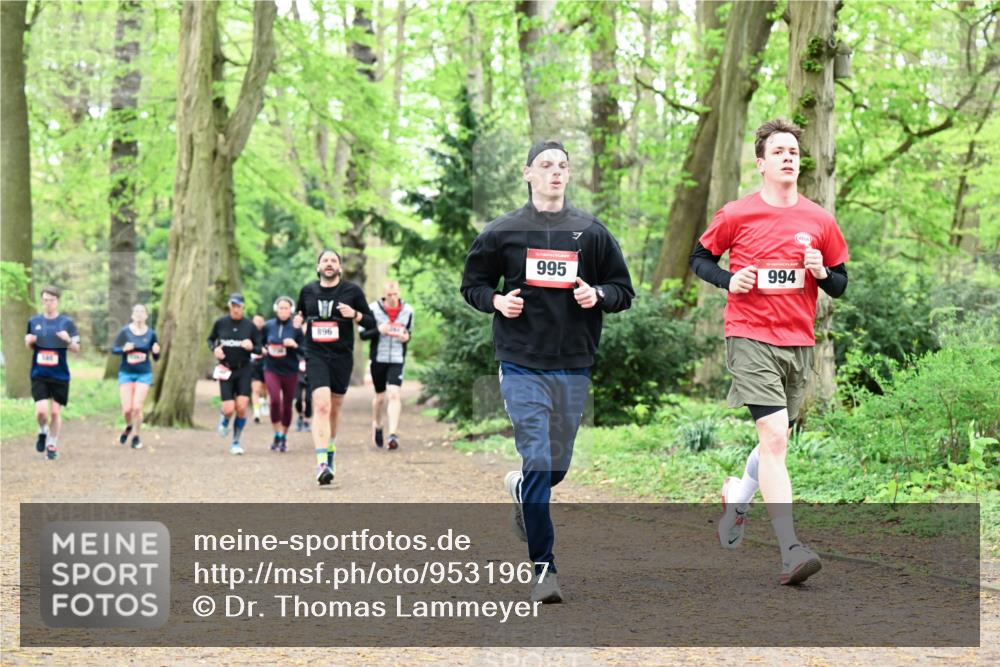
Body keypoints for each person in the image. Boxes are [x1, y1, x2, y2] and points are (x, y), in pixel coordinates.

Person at [460, 140, 634, 603]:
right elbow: (473, 284)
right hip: (520, 362)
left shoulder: (591, 232)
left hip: (573, 363)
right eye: (546, 165)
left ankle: (521, 488)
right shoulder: (504, 232)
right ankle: (544, 569)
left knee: (552, 468)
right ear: (528, 174)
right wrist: (497, 300)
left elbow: (623, 290)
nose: (555, 172)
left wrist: (597, 295)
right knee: (538, 457)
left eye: (562, 166)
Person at [689, 118, 849, 585]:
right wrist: (728, 279)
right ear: (761, 163)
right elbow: (699, 259)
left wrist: (821, 273)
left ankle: (737, 497)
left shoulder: (820, 220)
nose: (788, 157)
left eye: (794, 152)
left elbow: (839, 284)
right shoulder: (738, 213)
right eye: (779, 151)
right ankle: (790, 550)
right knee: (775, 438)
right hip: (750, 334)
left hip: (799, 342)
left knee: (775, 442)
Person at [296, 249, 375, 485]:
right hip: (315, 354)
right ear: (318, 266)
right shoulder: (307, 291)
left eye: (333, 261)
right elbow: (300, 314)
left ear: (339, 268)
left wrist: (356, 314)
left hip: (341, 355)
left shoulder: (352, 291)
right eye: (325, 260)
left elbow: (371, 321)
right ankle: (321, 463)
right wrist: (298, 321)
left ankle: (330, 450)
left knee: (334, 407)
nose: (329, 264)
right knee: (320, 405)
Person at [24, 286, 81, 460]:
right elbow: (29, 345)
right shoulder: (34, 322)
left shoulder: (67, 323)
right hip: (39, 373)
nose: (48, 303)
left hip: (60, 375)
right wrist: (29, 341)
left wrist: (67, 340)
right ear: (42, 301)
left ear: (57, 301)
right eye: (45, 300)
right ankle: (42, 431)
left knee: (55, 413)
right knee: (41, 412)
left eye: (52, 300)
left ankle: (52, 444)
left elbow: (77, 348)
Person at [359, 280, 414, 450]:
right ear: (384, 294)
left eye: (395, 294)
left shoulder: (408, 310)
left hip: (397, 358)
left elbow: (408, 333)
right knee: (380, 397)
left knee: (395, 394)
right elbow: (363, 335)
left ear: (399, 292)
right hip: (378, 359)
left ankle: (393, 434)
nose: (392, 297)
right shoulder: (372, 309)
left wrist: (406, 337)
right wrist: (378, 330)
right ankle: (377, 424)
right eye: (389, 295)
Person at [207, 293, 262, 455]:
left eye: (238, 306)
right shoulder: (220, 323)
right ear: (229, 306)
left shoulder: (249, 326)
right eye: (233, 305)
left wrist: (252, 346)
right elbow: (210, 340)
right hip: (226, 370)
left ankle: (236, 441)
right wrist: (214, 349)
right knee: (229, 409)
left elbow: (260, 347)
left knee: (242, 407)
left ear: (243, 307)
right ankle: (224, 420)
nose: (235, 309)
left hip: (244, 369)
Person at [111, 304, 161, 450]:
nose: (139, 314)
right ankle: (129, 426)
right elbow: (114, 349)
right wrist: (123, 349)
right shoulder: (125, 332)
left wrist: (156, 351)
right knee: (127, 409)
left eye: (142, 312)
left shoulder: (151, 334)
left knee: (137, 407)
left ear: (146, 316)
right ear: (132, 315)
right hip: (126, 373)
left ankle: (136, 436)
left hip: (144, 373)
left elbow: (156, 356)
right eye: (137, 312)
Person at [262, 296, 303, 452]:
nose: (283, 311)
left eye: (286, 308)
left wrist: (295, 345)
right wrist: (262, 349)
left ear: (291, 310)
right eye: (281, 308)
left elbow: (305, 351)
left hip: (290, 370)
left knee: (287, 405)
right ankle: (277, 432)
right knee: (274, 401)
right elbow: (259, 342)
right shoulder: (268, 326)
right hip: (271, 368)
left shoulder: (296, 328)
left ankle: (284, 436)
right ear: (276, 309)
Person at [250, 314, 268, 424]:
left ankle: (264, 401)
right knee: (256, 389)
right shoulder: (248, 333)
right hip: (254, 364)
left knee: (265, 390)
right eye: (256, 320)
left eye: (260, 321)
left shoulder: (267, 333)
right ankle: (256, 412)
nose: (258, 323)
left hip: (266, 363)